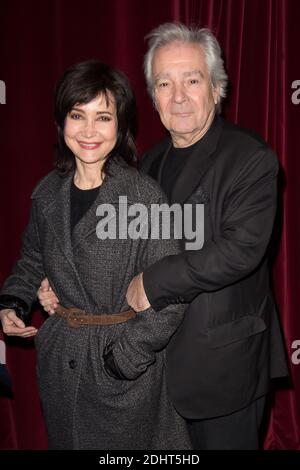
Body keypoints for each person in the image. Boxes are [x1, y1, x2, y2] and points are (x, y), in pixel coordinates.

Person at [0, 60, 192, 450]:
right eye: (77, 115)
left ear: (120, 126)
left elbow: (171, 293)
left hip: (121, 372)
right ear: (62, 122)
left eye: (103, 117)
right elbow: (32, 258)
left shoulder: (144, 197)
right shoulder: (46, 193)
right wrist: (14, 303)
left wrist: (123, 358)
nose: (89, 131)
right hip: (60, 364)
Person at [124, 23, 288, 449]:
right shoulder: (148, 164)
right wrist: (61, 287)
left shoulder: (250, 158)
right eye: (164, 83)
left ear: (217, 87)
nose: (177, 96)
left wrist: (154, 283)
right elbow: (123, 246)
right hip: (155, 370)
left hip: (223, 371)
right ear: (153, 94)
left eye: (192, 80)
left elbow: (239, 251)